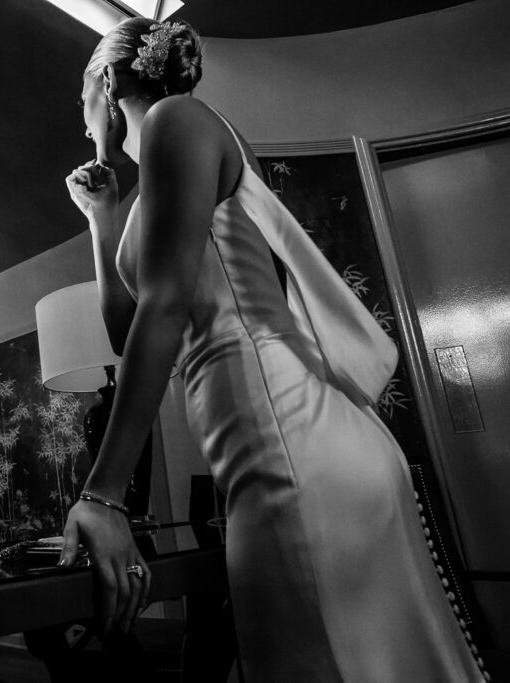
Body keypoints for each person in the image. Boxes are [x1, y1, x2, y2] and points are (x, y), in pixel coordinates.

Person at [57, 18, 487, 682]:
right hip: (267, 441)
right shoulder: (152, 185)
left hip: (288, 436)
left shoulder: (179, 120)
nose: (85, 121)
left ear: (108, 82)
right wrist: (101, 219)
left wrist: (105, 494)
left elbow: (166, 306)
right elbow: (128, 332)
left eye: (83, 98)